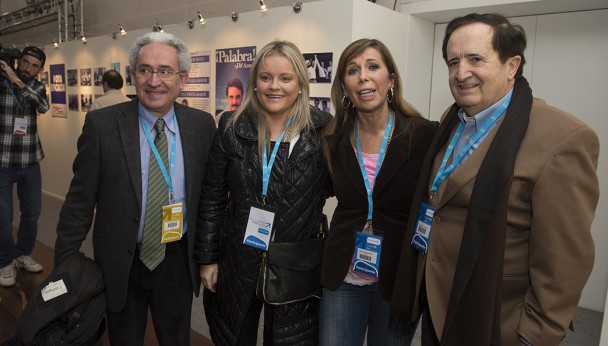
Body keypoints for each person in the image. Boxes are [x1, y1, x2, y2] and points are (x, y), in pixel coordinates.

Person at [391, 13, 600, 346]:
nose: (461, 73)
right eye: (453, 62)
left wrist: (533, 336)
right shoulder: (452, 119)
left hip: (493, 321)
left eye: (476, 59)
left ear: (512, 65)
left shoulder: (563, 138)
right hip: (437, 304)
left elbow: (563, 263)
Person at [53, 31, 216, 345]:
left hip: (177, 260)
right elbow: (79, 201)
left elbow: (210, 198)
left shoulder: (201, 126)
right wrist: (64, 267)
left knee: (175, 339)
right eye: (145, 70)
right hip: (120, 262)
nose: (154, 81)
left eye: (165, 71)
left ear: (182, 78)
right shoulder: (102, 125)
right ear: (133, 75)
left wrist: (211, 256)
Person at [194, 40, 332, 345]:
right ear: (254, 82)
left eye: (286, 78)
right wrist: (208, 259)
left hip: (295, 264)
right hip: (237, 258)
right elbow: (213, 198)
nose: (275, 87)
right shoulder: (232, 127)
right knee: (234, 334)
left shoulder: (324, 131)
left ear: (300, 84)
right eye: (266, 77)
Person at [319, 39, 437, 346]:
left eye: (373, 67)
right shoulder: (333, 140)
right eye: (353, 70)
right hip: (344, 275)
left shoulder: (424, 135)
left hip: (399, 277)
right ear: (344, 86)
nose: (363, 77)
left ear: (391, 80)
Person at [0, 46, 49, 287]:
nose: (28, 68)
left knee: (32, 214)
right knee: (3, 217)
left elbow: (43, 106)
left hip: (29, 161)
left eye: (34, 66)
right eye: (25, 62)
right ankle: (5, 262)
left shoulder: (34, 86)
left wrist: (18, 81)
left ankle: (22, 254)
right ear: (17, 61)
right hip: (2, 162)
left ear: (40, 70)